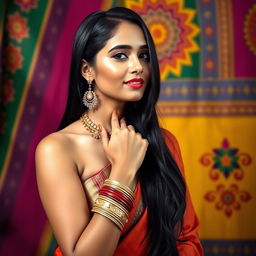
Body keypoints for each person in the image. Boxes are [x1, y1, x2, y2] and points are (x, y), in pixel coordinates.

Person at [35, 7, 203, 256]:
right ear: (87, 70)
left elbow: (187, 239)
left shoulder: (164, 143)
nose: (138, 66)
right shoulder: (58, 149)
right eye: (121, 55)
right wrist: (123, 172)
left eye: (144, 55)